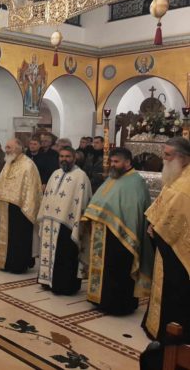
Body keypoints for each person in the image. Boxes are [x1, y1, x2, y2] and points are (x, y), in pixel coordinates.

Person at [81, 147, 153, 315]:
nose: (112, 165)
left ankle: (118, 305)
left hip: (122, 237)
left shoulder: (136, 182)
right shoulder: (113, 178)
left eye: (116, 162)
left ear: (127, 162)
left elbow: (133, 210)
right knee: (105, 268)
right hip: (104, 233)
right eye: (111, 161)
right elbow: (101, 200)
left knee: (119, 270)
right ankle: (100, 300)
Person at [142, 137, 190, 342]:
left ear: (184, 158)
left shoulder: (184, 186)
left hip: (177, 249)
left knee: (175, 291)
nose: (164, 159)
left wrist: (157, 228)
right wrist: (154, 223)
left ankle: (171, 336)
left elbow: (176, 218)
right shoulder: (178, 177)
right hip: (167, 242)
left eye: (168, 155)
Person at [37, 146, 92, 294]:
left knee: (65, 254)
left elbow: (82, 201)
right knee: (48, 252)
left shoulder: (81, 176)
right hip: (50, 221)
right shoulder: (55, 173)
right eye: (61, 156)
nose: (64, 159)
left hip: (68, 223)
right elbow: (47, 196)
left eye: (68, 156)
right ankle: (47, 281)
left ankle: (64, 286)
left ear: (74, 158)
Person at [0, 138, 42, 272]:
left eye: (9, 147)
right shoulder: (9, 162)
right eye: (6, 147)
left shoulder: (28, 165)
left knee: (17, 238)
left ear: (19, 148)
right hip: (4, 206)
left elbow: (31, 190)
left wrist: (24, 204)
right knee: (4, 235)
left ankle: (17, 264)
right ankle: (3, 261)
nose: (6, 150)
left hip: (19, 210)